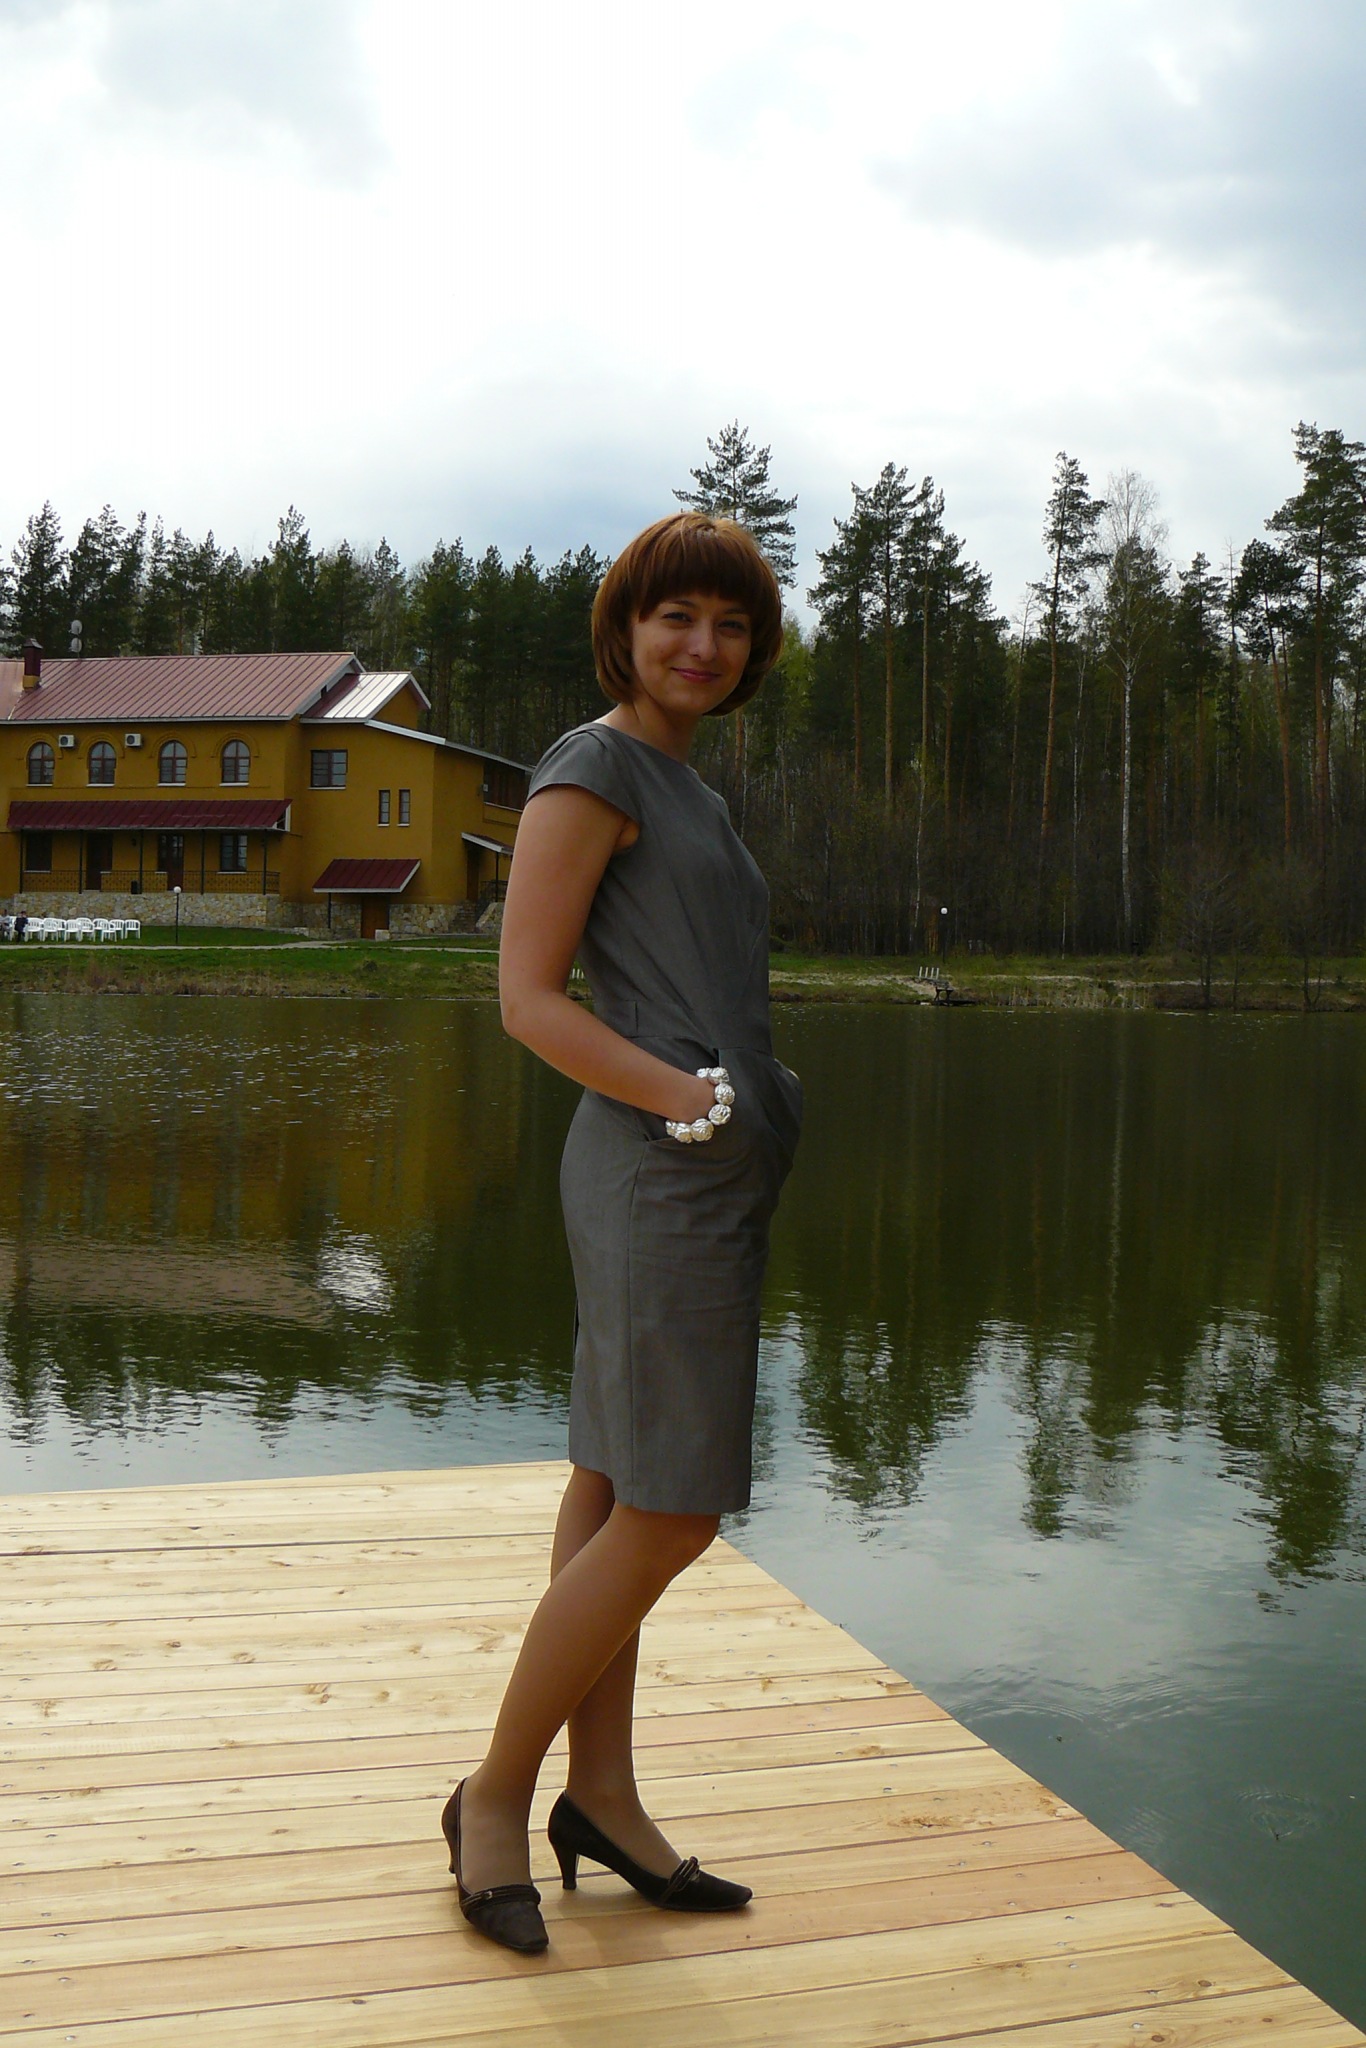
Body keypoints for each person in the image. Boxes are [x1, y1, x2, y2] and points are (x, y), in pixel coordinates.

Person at [442, 511, 804, 1955]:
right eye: (676, 618)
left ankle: (602, 1795)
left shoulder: (685, 785)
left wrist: (738, 1113)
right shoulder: (590, 768)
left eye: (730, 625)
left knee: (613, 1480)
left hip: (699, 1172)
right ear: (625, 628)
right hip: (660, 1170)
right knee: (676, 1506)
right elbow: (528, 1000)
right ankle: (492, 1796)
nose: (701, 646)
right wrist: (694, 1101)